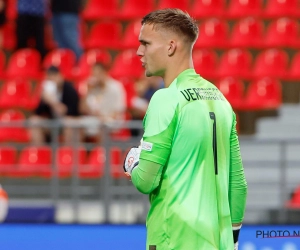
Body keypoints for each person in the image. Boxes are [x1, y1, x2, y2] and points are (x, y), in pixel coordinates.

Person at [123, 9, 248, 250]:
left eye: (145, 43)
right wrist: (231, 241)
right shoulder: (221, 100)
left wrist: (132, 162)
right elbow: (238, 184)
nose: (139, 51)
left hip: (174, 239)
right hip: (218, 242)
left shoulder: (165, 99)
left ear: (171, 47)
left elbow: (146, 181)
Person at [30, 66, 80, 144]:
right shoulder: (46, 92)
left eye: (54, 76)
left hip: (66, 123)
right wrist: (43, 98)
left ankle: (66, 154)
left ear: (60, 76)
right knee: (34, 121)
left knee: (69, 122)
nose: (52, 79)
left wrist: (52, 102)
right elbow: (38, 113)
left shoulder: (69, 90)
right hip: (52, 122)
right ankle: (39, 153)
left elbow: (71, 112)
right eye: (49, 77)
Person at [80, 62, 126, 142]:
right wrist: (87, 92)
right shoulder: (92, 88)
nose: (95, 77)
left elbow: (118, 111)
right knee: (76, 126)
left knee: (102, 126)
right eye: (93, 74)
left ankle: (101, 153)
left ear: (104, 73)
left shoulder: (116, 87)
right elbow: (82, 109)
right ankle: (77, 153)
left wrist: (104, 118)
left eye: (98, 74)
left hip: (112, 121)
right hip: (95, 119)